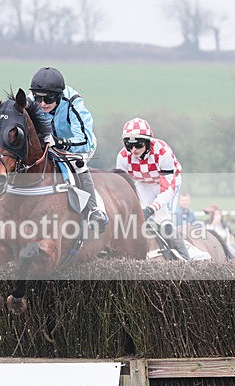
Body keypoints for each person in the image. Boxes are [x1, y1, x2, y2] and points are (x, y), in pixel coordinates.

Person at [29, 66, 107, 232]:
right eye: (38, 98)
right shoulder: (30, 102)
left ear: (58, 96)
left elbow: (84, 140)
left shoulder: (73, 103)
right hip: (47, 144)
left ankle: (94, 209)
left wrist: (59, 142)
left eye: (48, 99)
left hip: (77, 146)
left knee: (77, 164)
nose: (42, 104)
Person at [115, 117, 189, 260]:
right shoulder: (123, 156)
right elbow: (121, 187)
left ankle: (185, 259)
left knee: (163, 221)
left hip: (167, 184)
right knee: (140, 221)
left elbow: (167, 189)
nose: (133, 150)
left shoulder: (163, 151)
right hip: (143, 183)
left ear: (148, 142)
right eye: (129, 145)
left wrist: (150, 209)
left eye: (138, 145)